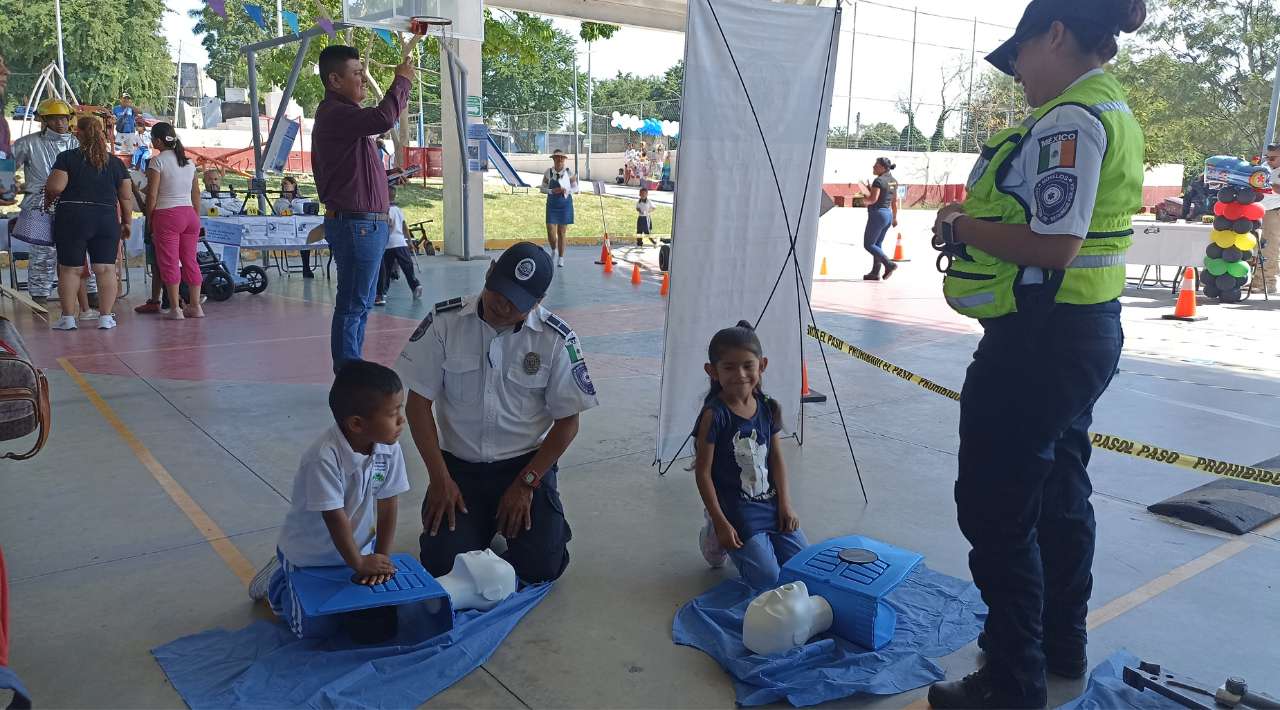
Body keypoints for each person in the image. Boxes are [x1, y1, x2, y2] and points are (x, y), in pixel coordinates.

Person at [926, 0, 1147, 706]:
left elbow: (1056, 244)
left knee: (996, 504)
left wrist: (963, 225)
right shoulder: (1111, 108)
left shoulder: (1071, 120)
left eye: (1018, 55)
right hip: (1082, 331)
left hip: (1041, 341)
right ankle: (1057, 640)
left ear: (1053, 35)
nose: (1016, 72)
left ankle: (1012, 677)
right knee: (1059, 488)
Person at [398, 242, 599, 584]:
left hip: (524, 468)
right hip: (459, 469)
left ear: (537, 302)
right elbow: (418, 405)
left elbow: (568, 422)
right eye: (500, 291)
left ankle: (540, 522)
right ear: (490, 271)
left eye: (517, 302)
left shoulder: (555, 339)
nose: (502, 306)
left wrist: (527, 483)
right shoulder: (444, 323)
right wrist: (440, 478)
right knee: (441, 566)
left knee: (541, 567)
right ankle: (481, 526)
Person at [246, 360, 411, 640]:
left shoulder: (388, 449)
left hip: (356, 548)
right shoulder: (323, 457)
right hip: (310, 556)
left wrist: (379, 556)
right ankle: (279, 583)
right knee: (314, 631)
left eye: (401, 410)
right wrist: (358, 563)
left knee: (380, 617)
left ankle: (338, 573)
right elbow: (334, 517)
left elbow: (387, 504)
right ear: (357, 424)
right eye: (394, 413)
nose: (402, 420)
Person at [312, 44, 412, 372]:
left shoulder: (346, 122)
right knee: (354, 305)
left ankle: (351, 367)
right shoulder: (336, 114)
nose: (363, 81)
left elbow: (355, 175)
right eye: (357, 74)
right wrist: (401, 81)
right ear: (334, 79)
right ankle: (349, 374)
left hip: (365, 225)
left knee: (360, 303)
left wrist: (385, 178)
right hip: (358, 226)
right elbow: (384, 116)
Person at [692, 321, 806, 590]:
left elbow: (776, 459)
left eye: (747, 365)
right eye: (729, 367)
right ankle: (713, 536)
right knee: (768, 579)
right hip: (735, 509)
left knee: (803, 568)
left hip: (769, 503)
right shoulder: (714, 415)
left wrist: (785, 505)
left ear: (762, 365)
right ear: (712, 371)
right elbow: (703, 472)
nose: (740, 374)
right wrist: (720, 522)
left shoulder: (768, 408)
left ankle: (755, 541)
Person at [44, 116, 133, 331]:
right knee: (105, 269)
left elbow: (56, 187)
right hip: (105, 217)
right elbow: (126, 196)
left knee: (70, 269)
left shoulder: (67, 158)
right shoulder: (115, 162)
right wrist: (127, 222)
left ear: (79, 133)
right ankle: (105, 317)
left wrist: (47, 200)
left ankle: (68, 318)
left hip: (73, 217)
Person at [12, 99, 81, 306]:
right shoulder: (26, 143)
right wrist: (14, 187)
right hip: (38, 206)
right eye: (53, 118)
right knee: (42, 251)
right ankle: (39, 295)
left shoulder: (77, 143)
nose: (60, 123)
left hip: (73, 204)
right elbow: (5, 170)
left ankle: (90, 293)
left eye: (63, 118)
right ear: (44, 120)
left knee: (78, 249)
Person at [144, 122, 203, 320]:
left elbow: (152, 195)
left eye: (153, 138)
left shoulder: (157, 162)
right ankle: (195, 306)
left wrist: (149, 218)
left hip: (167, 214)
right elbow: (196, 193)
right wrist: (196, 216)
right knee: (190, 261)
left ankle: (176, 309)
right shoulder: (189, 163)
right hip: (189, 215)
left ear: (158, 141)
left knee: (169, 262)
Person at [374, 186, 422, 306]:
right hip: (401, 243)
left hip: (388, 245)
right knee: (407, 267)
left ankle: (382, 294)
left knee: (385, 270)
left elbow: (382, 227)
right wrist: (410, 242)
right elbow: (405, 226)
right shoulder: (399, 210)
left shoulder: (384, 211)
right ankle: (415, 285)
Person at [862, 157, 900, 281]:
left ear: (883, 168)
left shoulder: (878, 181)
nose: (873, 167)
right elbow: (894, 202)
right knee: (877, 244)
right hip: (887, 215)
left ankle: (889, 264)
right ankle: (875, 272)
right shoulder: (893, 181)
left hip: (877, 215)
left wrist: (863, 200)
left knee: (869, 244)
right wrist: (894, 218)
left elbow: (873, 199)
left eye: (876, 165)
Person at [541, 150, 578, 268]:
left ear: (564, 159)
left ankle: (561, 258)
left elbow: (576, 188)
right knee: (550, 230)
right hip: (552, 204)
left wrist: (567, 190)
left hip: (565, 205)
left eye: (562, 158)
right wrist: (552, 191)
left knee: (562, 232)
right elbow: (542, 188)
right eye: (557, 157)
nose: (560, 160)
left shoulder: (569, 172)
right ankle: (553, 250)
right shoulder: (549, 173)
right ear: (553, 159)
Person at [1252, 144, 1280, 294]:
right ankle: (1257, 281)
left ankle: (1268, 282)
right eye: (1267, 157)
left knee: (1269, 248)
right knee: (1258, 247)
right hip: (1259, 211)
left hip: (1274, 213)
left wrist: (1267, 184)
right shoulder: (1265, 167)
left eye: (1273, 158)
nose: (1268, 160)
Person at [274, 176, 314, 278]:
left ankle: (306, 267)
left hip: (301, 229)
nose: (284, 186)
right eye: (283, 184)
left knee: (305, 238)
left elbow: (310, 214)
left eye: (286, 183)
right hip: (285, 230)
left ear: (294, 185)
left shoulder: (304, 200)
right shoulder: (279, 202)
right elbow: (273, 216)